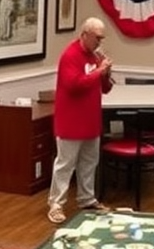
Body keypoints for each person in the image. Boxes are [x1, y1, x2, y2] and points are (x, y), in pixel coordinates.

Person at [47, 16, 114, 224]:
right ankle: (56, 204)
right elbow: (74, 85)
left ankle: (87, 199)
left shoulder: (95, 57)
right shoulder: (70, 55)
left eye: (102, 39)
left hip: (91, 120)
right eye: (97, 38)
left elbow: (106, 89)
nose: (99, 43)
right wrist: (99, 72)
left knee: (89, 163)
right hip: (71, 122)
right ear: (84, 35)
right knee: (65, 164)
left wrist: (106, 74)